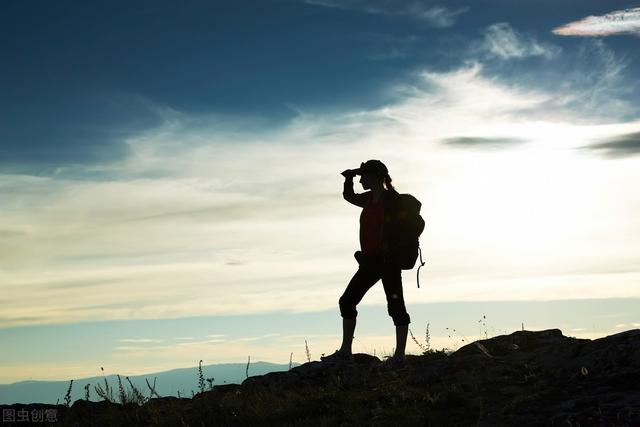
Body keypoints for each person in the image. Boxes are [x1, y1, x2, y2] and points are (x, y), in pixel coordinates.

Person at [320, 159, 411, 366]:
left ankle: (400, 356)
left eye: (363, 176)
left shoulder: (392, 201)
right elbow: (349, 196)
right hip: (370, 261)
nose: (361, 180)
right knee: (347, 301)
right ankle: (345, 351)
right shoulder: (370, 199)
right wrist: (349, 178)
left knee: (396, 306)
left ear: (374, 177)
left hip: (388, 261)